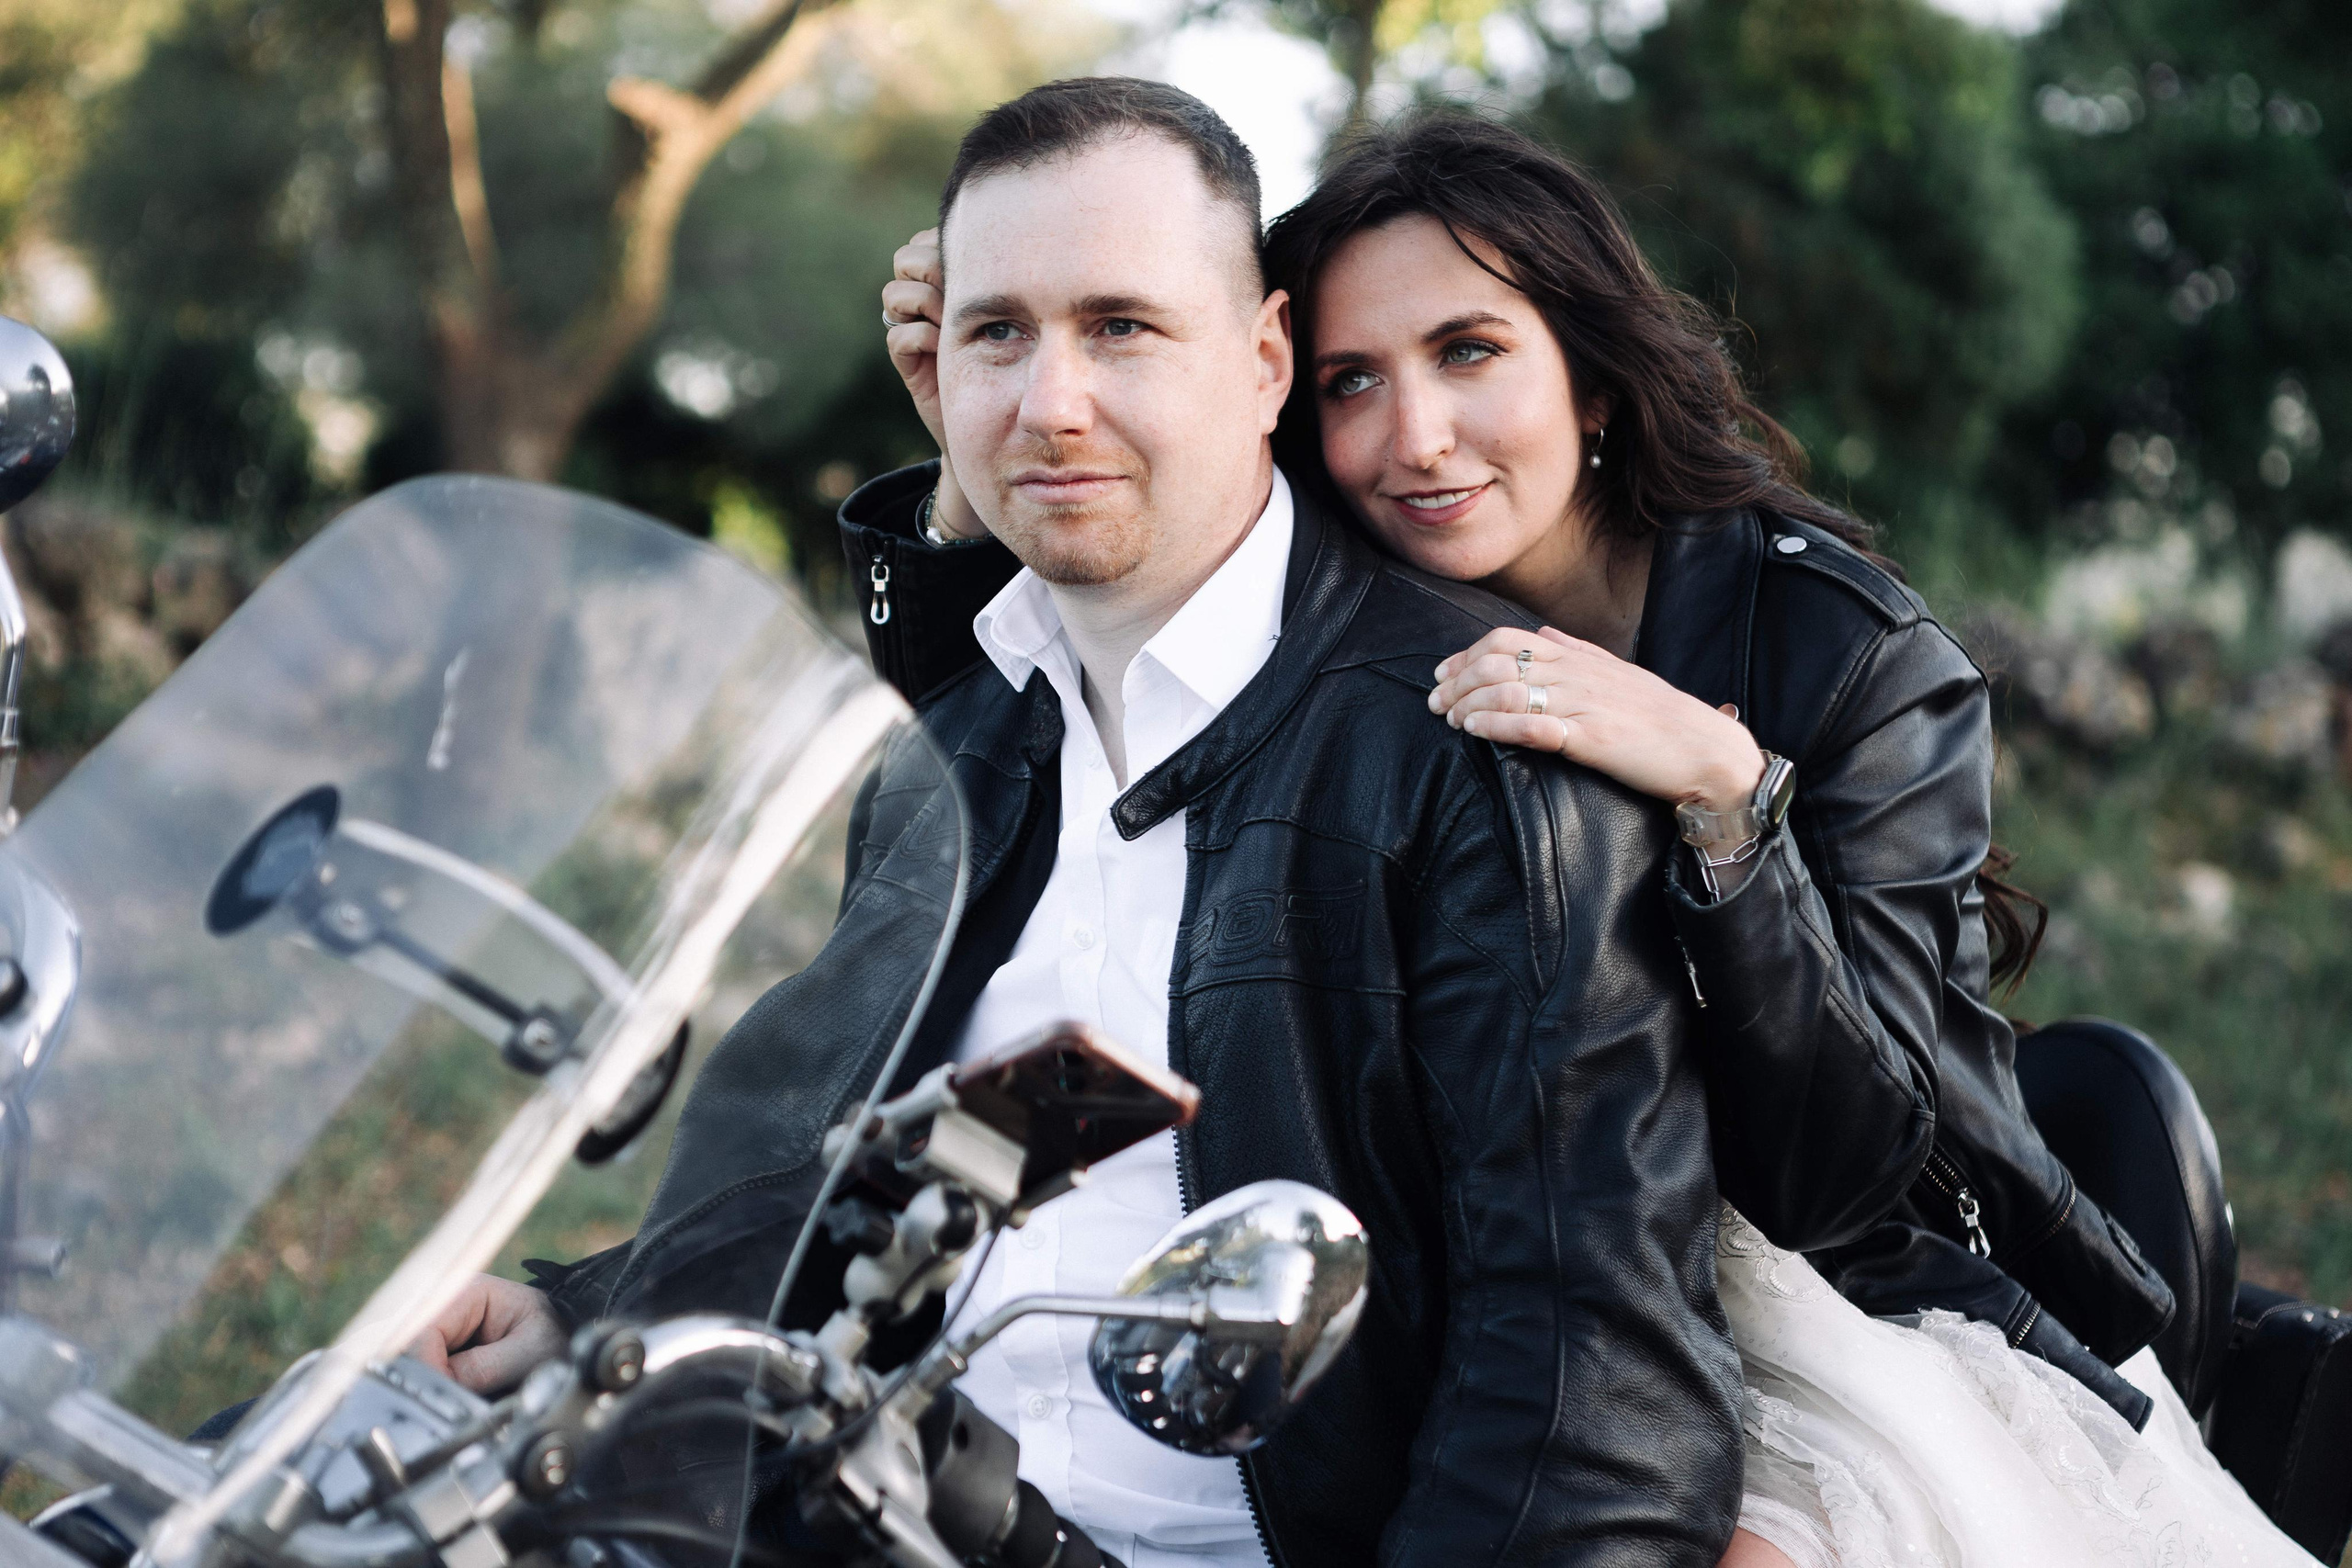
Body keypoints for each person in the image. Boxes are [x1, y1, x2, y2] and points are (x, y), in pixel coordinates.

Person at [853, 109, 2313, 1567]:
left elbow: (1845, 1163)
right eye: (1356, 380)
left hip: (1825, 1282)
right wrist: (979, 456)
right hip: (1523, 1237)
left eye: (1471, 352)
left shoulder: (1842, 651)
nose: (1415, 437)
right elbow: (1024, 765)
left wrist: (1730, 803)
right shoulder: (1347, 593)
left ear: (1594, 379)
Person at [422, 80, 1746, 1567]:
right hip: (872, 1505)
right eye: (999, 332)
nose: (1051, 403)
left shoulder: (1482, 753)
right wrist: (589, 1318)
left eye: (1121, 326)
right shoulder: (972, 741)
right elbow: (963, 1149)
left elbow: (1587, 1394)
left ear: (1261, 363)